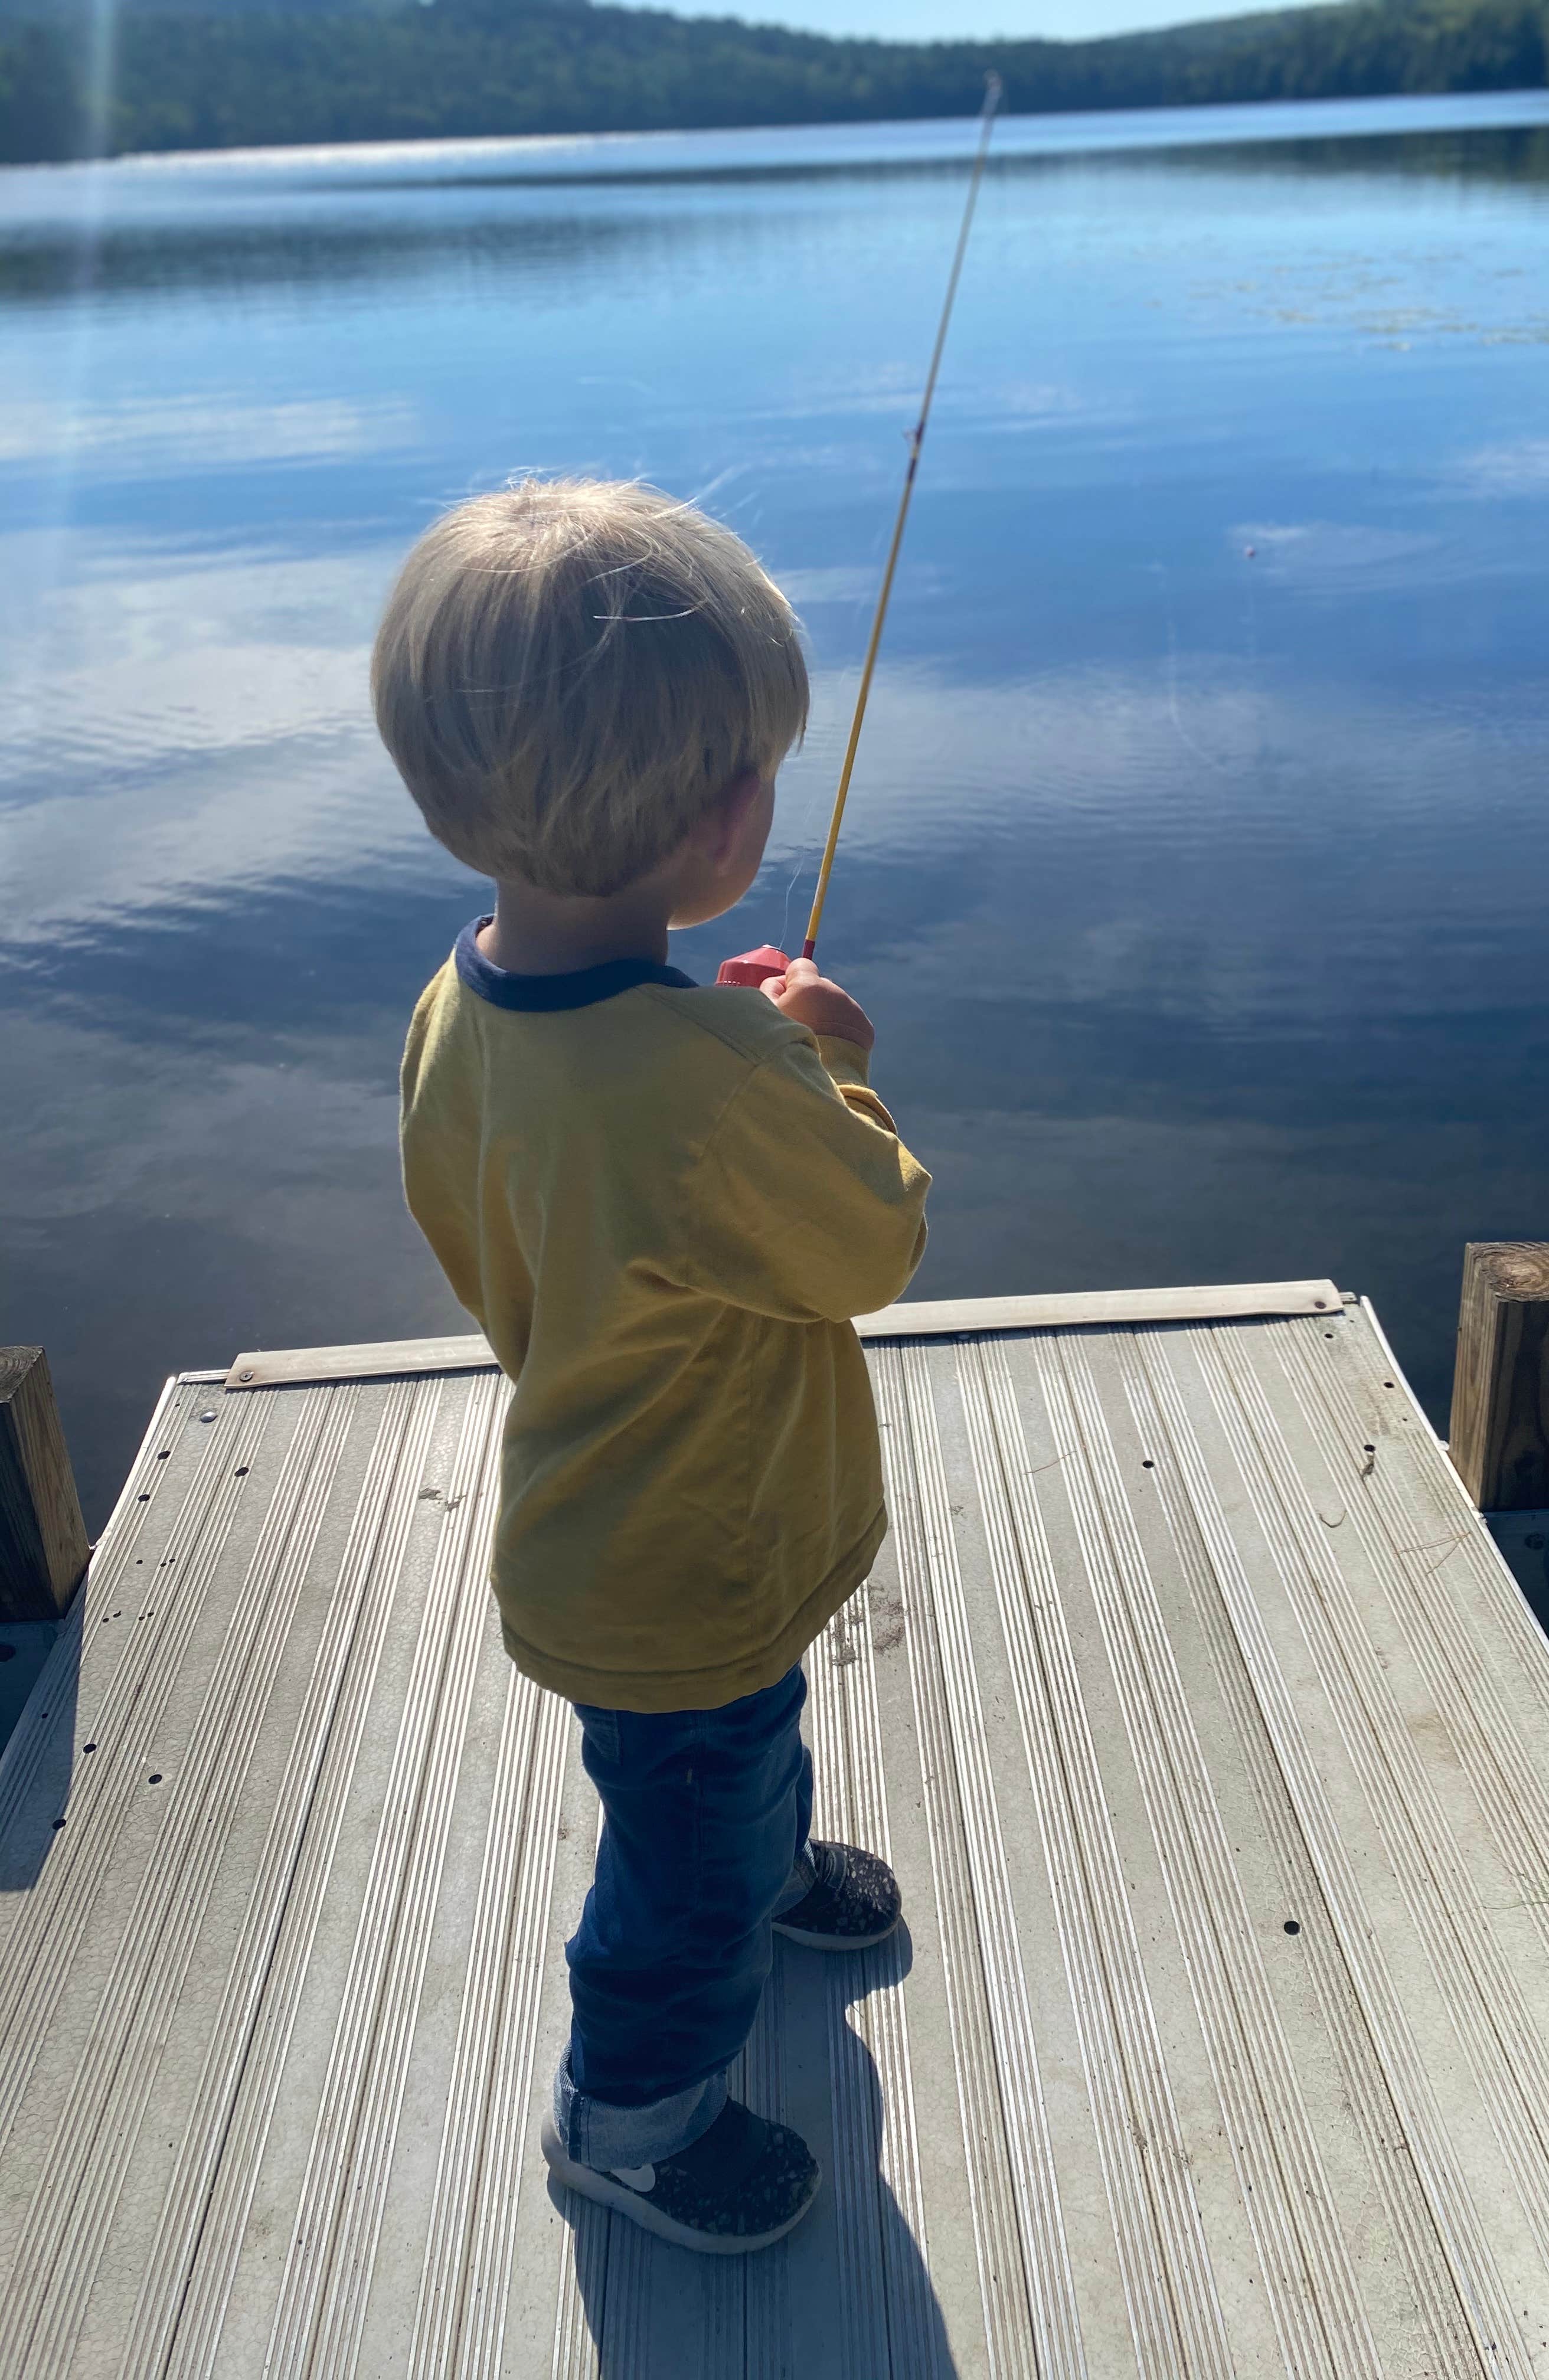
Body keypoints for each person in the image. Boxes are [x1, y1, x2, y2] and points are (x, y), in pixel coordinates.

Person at [375, 478, 931, 2254]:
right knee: (671, 1878)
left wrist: (731, 1059)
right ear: (717, 830)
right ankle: (631, 2119)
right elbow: (876, 1247)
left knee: (722, 1763)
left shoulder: (458, 996)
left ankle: (769, 1873)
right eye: (761, 762)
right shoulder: (715, 1082)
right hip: (685, 1555)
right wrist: (824, 1067)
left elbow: (542, 1188)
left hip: (613, 1527)